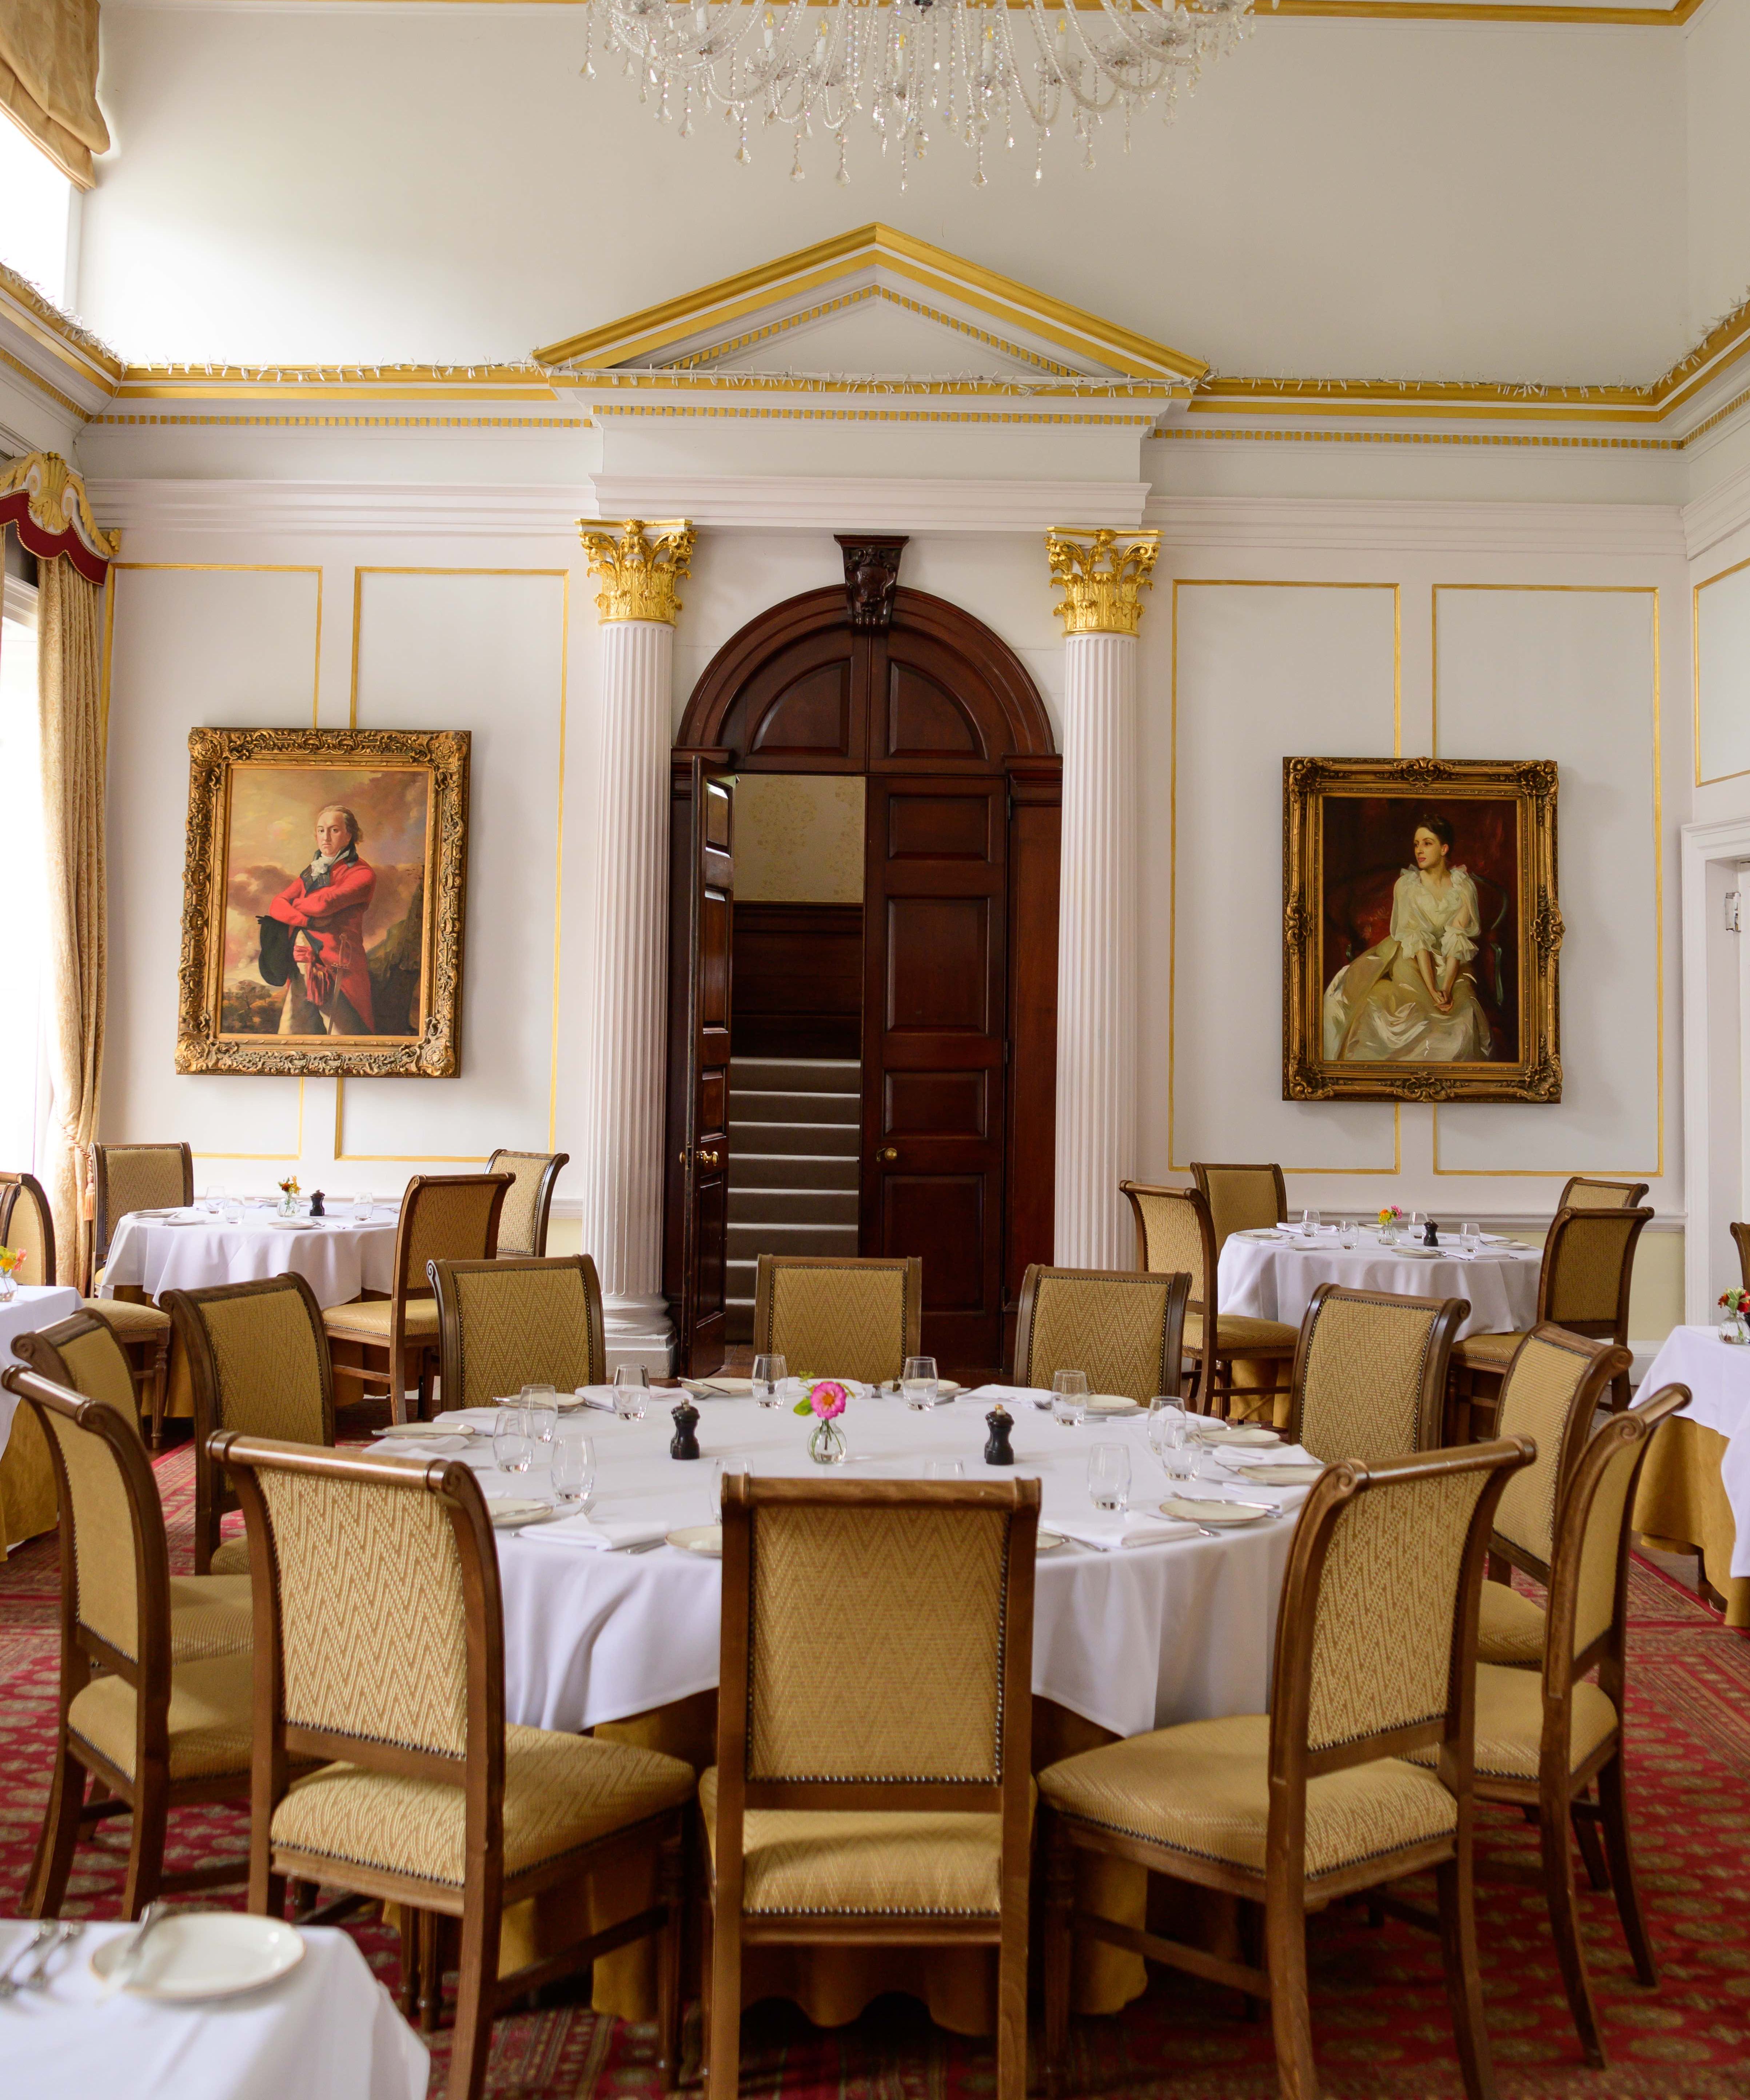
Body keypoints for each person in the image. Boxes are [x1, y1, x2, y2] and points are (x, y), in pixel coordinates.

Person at [1322, 813, 1493, 1063]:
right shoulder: (1407, 885)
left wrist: (1444, 988)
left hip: (1452, 961)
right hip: (1412, 957)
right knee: (1395, 1010)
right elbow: (1418, 940)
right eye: (1416, 844)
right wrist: (1431, 988)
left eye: (1427, 843)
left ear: (1444, 848)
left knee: (1461, 1013)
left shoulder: (1463, 887)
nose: (1419, 851)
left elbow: (1457, 939)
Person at [264, 804, 376, 1035]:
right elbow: (276, 905)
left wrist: (293, 906)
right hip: (302, 962)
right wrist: (308, 922)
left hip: (337, 966)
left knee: (344, 1037)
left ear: (349, 835)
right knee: (294, 1034)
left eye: (334, 830)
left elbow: (323, 904)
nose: (326, 837)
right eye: (321, 830)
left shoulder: (362, 873)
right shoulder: (313, 871)